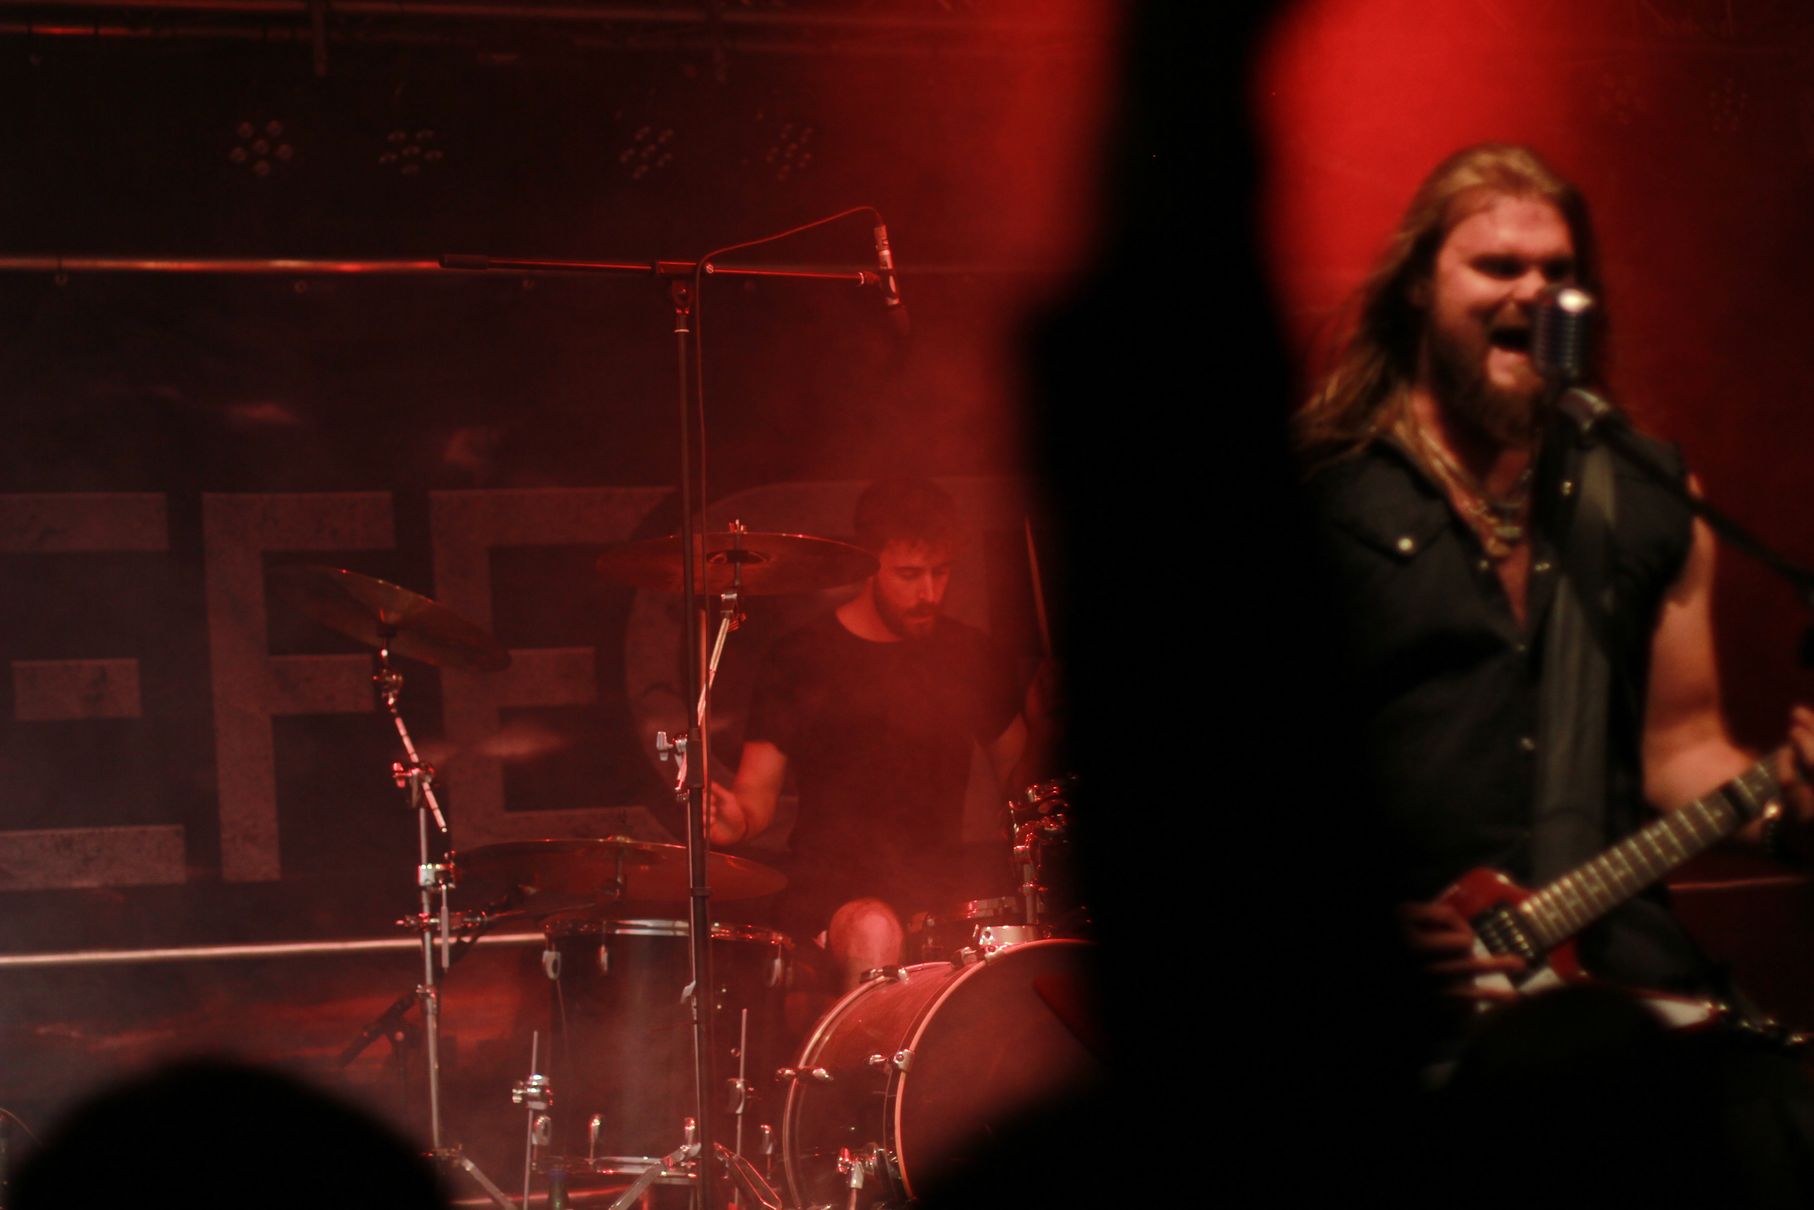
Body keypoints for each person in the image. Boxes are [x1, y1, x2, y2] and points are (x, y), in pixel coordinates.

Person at [1294, 143, 1814, 1025]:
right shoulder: (1323, 496)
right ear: (1417, 285)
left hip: (1621, 983)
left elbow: (1682, 749)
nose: (1535, 291)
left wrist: (1789, 821)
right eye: (1499, 266)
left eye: (1558, 272)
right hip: (1400, 1012)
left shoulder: (1648, 497)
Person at [709, 478, 1040, 989]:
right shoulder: (801, 657)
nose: (929, 593)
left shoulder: (969, 655)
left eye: (941, 572)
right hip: (831, 895)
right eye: (909, 575)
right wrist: (737, 819)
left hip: (937, 893)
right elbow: (756, 794)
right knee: (872, 929)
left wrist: (1047, 728)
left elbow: (1021, 788)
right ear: (869, 565)